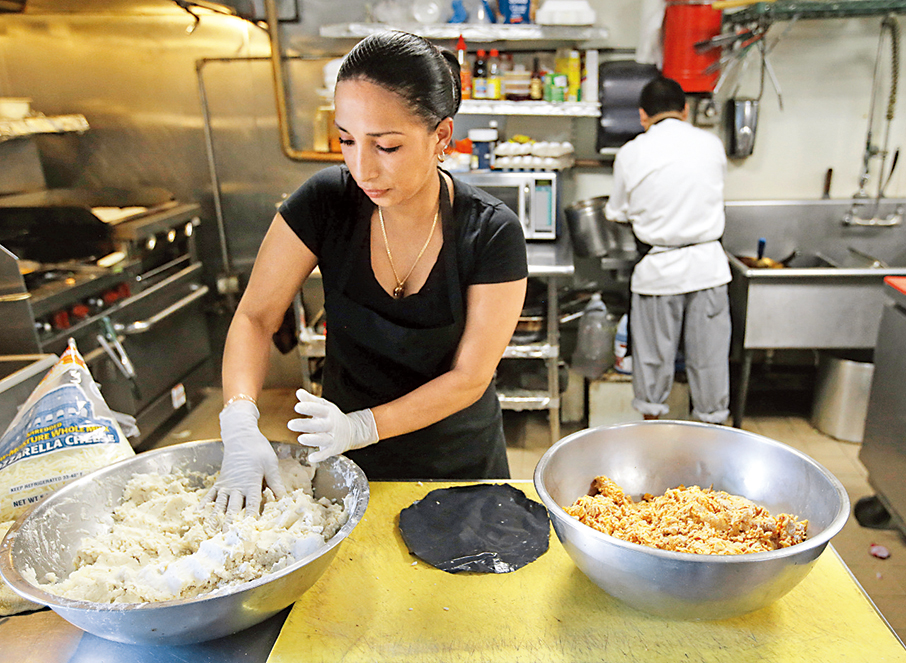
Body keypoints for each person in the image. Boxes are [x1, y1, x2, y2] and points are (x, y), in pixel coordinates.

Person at [206, 31, 528, 517]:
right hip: (346, 465)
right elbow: (255, 316)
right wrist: (239, 420)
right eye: (347, 140)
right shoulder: (326, 202)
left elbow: (469, 377)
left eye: (387, 146)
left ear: (441, 136)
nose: (362, 168)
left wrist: (359, 425)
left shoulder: (490, 231)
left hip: (459, 467)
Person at [604, 75, 731, 425]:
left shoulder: (631, 152)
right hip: (708, 268)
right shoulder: (711, 144)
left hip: (658, 272)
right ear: (685, 110)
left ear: (643, 116)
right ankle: (712, 447)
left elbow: (616, 211)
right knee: (709, 363)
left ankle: (652, 442)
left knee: (652, 363)